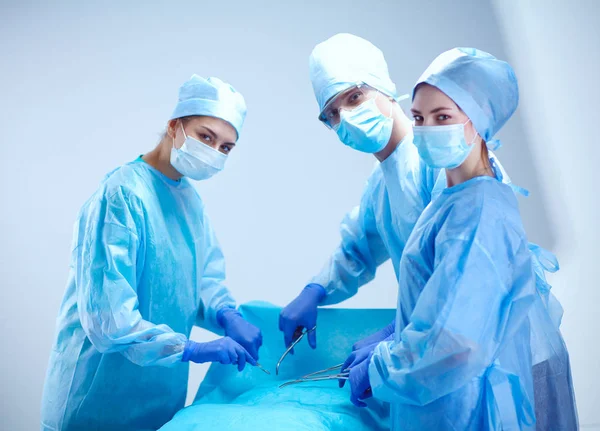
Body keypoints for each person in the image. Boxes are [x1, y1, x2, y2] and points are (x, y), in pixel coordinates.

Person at [347, 48, 578, 430]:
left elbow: (458, 343)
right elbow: (445, 299)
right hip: (453, 398)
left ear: (478, 122)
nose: (427, 129)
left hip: (470, 405)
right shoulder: (453, 199)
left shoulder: (479, 211)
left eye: (444, 118)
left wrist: (381, 368)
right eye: (419, 118)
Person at [41, 75, 263, 430]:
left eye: (226, 147)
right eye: (206, 136)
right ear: (175, 126)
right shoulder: (122, 196)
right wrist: (191, 350)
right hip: (97, 396)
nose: (214, 152)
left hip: (160, 398)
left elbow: (197, 280)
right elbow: (108, 320)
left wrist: (226, 314)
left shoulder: (189, 201)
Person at [279, 34, 518, 353]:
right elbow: (357, 251)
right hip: (444, 348)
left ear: (384, 87)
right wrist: (315, 289)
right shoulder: (380, 186)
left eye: (353, 98)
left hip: (487, 345)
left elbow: (468, 273)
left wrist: (398, 332)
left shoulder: (444, 155)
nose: (345, 118)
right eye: (332, 114)